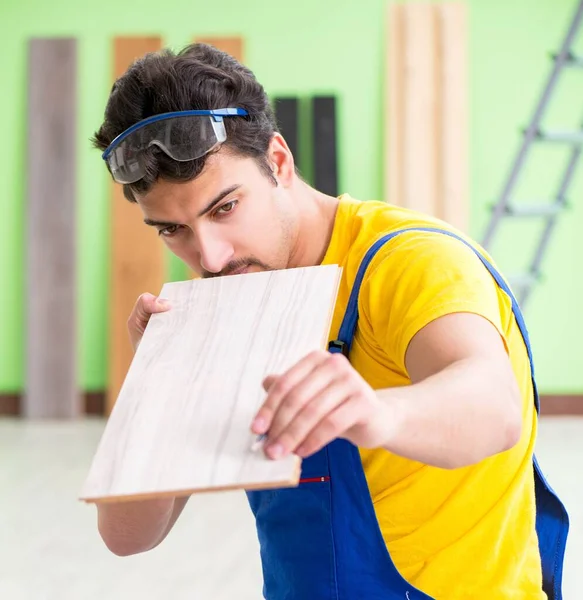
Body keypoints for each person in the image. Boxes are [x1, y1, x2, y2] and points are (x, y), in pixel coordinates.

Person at [92, 43, 569, 600]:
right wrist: (159, 387)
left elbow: (493, 405)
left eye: (224, 208)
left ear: (278, 160)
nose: (212, 257)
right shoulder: (229, 295)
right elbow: (125, 537)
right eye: (172, 230)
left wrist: (375, 412)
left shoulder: (409, 261)